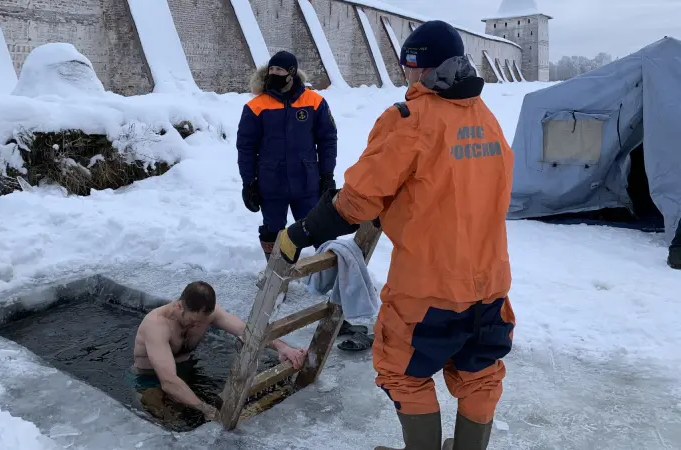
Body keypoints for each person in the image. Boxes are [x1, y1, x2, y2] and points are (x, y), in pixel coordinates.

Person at [274, 21, 516, 450]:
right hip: (491, 287)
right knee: (479, 374)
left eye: (407, 67)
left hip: (428, 289)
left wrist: (302, 231)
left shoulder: (410, 119)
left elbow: (357, 202)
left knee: (402, 370)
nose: (405, 76)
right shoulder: (485, 118)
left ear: (422, 67)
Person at [130, 281, 308, 422]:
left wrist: (282, 347)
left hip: (187, 371)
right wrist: (206, 409)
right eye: (192, 321)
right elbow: (168, 382)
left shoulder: (208, 315)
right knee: (169, 418)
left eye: (201, 321)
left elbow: (246, 331)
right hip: (149, 379)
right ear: (179, 307)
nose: (197, 325)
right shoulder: (156, 325)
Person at [237, 50, 338, 262]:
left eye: (279, 70)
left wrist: (327, 175)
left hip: (307, 182)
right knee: (273, 232)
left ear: (291, 73)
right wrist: (249, 183)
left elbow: (327, 139)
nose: (274, 73)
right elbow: (246, 148)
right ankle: (277, 274)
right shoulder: (256, 106)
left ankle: (328, 273)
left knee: (317, 228)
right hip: (271, 183)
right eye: (271, 69)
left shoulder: (315, 102)